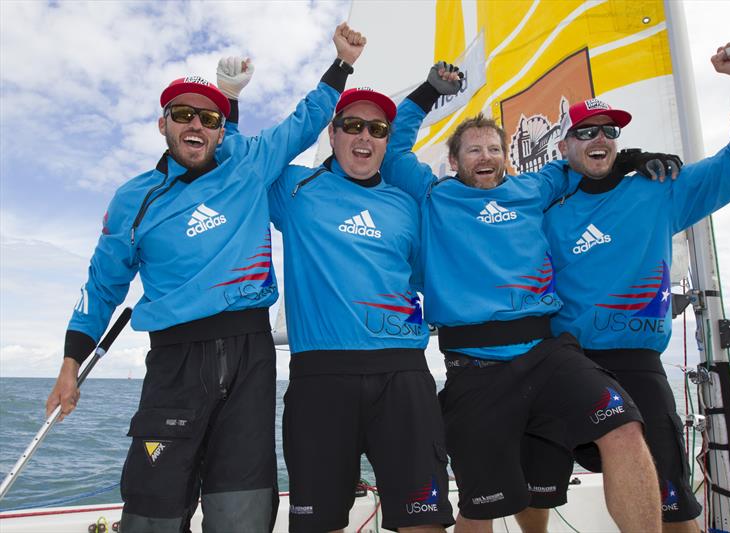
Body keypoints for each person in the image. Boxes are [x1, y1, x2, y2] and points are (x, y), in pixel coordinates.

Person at [44, 23, 366, 533]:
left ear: (220, 129)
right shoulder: (134, 198)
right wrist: (70, 362)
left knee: (241, 511)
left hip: (248, 357)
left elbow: (305, 122)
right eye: (183, 114)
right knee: (153, 511)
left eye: (209, 116)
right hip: (174, 364)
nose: (196, 124)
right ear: (163, 124)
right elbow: (103, 285)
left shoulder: (249, 164)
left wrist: (342, 63)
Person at [380, 64, 677, 533]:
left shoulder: (533, 188)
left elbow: (582, 161)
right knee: (481, 504)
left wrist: (626, 159)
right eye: (474, 149)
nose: (487, 156)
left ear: (506, 157)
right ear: (454, 161)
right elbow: (395, 145)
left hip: (546, 354)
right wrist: (430, 90)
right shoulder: (434, 195)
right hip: (473, 368)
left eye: (495, 149)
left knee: (623, 425)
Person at [541, 38, 730, 533]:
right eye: (584, 132)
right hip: (563, 361)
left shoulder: (660, 190)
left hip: (635, 361)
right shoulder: (546, 208)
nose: (598, 138)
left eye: (607, 130)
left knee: (672, 502)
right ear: (564, 146)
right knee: (534, 482)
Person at [258, 84, 454, 531]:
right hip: (320, 379)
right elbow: (244, 162)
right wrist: (230, 104)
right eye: (352, 125)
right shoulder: (294, 186)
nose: (364, 137)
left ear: (387, 139)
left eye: (377, 129)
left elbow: (434, 278)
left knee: (425, 521)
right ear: (332, 132)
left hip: (403, 377)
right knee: (317, 524)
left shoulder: (408, 206)